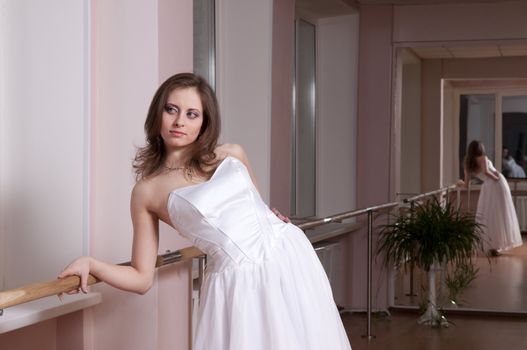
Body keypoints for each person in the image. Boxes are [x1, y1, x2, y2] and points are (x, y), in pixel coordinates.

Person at [59, 73, 352, 349]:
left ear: (204, 121)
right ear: (157, 114)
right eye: (171, 109)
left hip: (290, 256)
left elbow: (257, 209)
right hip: (239, 282)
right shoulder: (147, 191)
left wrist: (273, 217)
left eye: (191, 114)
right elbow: (141, 277)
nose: (179, 121)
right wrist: (93, 264)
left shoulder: (232, 153)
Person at [459, 140, 523, 256]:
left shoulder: (467, 164)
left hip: (487, 187)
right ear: (480, 149)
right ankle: (496, 245)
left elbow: (466, 184)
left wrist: (460, 184)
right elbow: (486, 172)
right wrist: (496, 178)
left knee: (489, 214)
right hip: (495, 184)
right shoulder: (482, 158)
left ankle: (491, 245)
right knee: (499, 213)